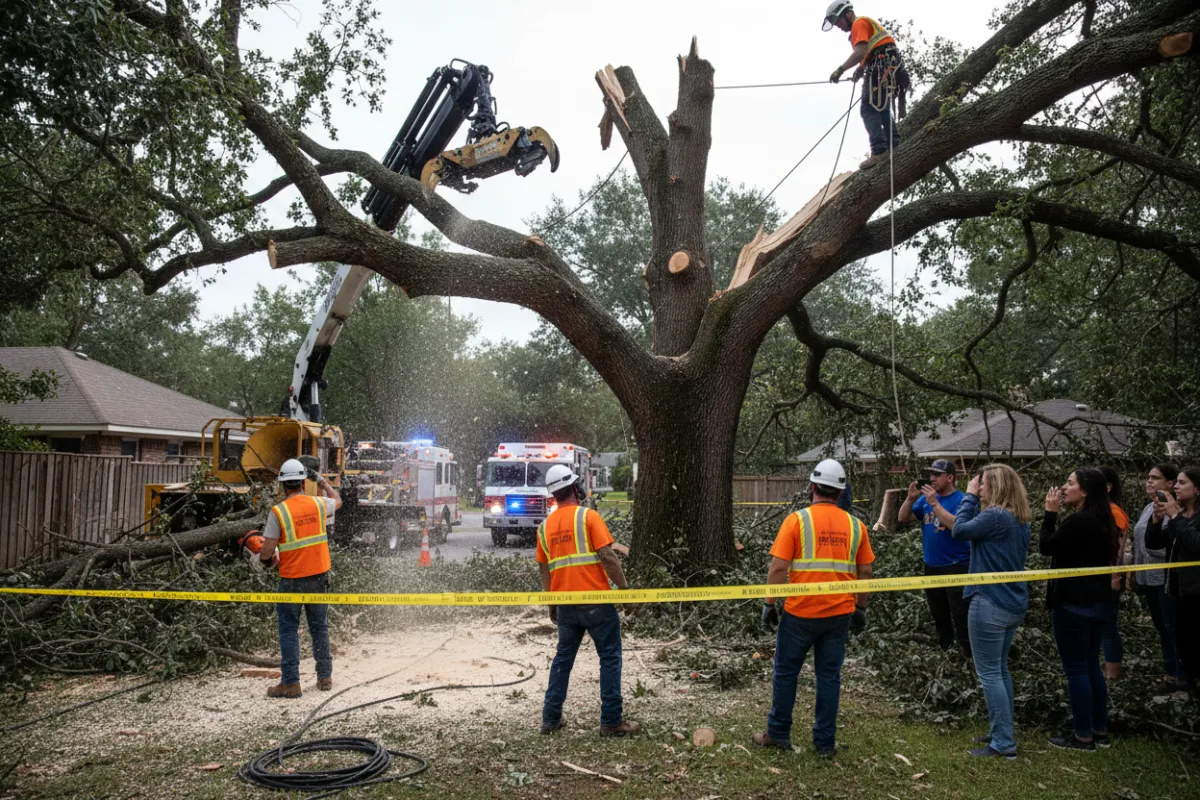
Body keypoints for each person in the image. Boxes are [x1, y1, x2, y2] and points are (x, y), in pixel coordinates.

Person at [754, 458, 875, 757]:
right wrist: (860, 608)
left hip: (800, 612)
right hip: (839, 614)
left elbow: (778, 568)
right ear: (841, 491)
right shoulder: (857, 526)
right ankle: (824, 743)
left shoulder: (797, 521)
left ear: (812, 487)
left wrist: (769, 603)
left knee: (786, 672)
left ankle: (778, 733)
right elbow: (867, 572)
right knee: (829, 676)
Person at [536, 464, 639, 737]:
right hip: (597, 603)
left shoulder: (544, 527)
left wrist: (552, 605)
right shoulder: (588, 517)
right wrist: (625, 591)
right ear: (574, 488)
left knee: (562, 660)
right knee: (610, 658)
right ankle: (611, 722)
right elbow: (608, 557)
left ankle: (550, 718)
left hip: (566, 604)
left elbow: (545, 570)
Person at [950, 464, 1031, 759]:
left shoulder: (995, 516)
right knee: (1000, 670)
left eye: (982, 485)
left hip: (989, 602)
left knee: (989, 674)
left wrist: (968, 497)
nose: (979, 488)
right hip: (1013, 603)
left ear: (995, 486)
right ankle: (1002, 729)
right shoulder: (1019, 520)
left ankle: (1004, 742)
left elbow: (959, 530)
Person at [1041, 467, 1120, 751]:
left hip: (1074, 605)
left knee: (1076, 671)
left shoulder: (1079, 521)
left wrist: (1050, 514)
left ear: (1085, 491)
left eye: (1070, 483)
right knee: (1091, 667)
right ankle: (1099, 731)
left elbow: (1046, 546)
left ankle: (1082, 736)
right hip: (1098, 602)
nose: (1064, 487)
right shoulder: (1104, 520)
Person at [257, 458, 342, 699]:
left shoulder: (278, 512)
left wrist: (265, 561)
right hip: (318, 577)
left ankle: (291, 683)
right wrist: (324, 482)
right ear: (304, 482)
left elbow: (267, 549)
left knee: (288, 630)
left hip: (292, 579)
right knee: (319, 627)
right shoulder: (317, 504)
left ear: (282, 484)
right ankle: (324, 677)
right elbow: (338, 501)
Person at [823, 1, 910, 169]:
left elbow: (861, 51)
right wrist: (861, 68)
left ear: (848, 14)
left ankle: (879, 151)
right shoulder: (863, 25)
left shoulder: (858, 23)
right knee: (881, 106)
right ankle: (893, 143)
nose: (838, 27)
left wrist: (840, 70)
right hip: (885, 62)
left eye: (839, 22)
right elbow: (869, 51)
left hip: (881, 63)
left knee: (868, 108)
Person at [898, 459, 971, 657]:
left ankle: (968, 656)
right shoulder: (925, 499)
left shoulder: (963, 500)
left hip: (957, 565)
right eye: (931, 475)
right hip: (932, 566)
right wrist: (910, 499)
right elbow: (902, 518)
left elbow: (958, 527)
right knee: (939, 613)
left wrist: (935, 504)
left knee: (961, 614)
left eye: (937, 475)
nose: (932, 479)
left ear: (950, 478)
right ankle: (946, 652)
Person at [1130, 463, 1186, 688]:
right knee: (1161, 627)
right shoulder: (1148, 508)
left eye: (1155, 478)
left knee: (1172, 626)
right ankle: (1169, 671)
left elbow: (1170, 543)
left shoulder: (1175, 509)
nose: (1149, 481)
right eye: (1148, 477)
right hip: (1146, 578)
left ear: (1170, 483)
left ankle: (1181, 675)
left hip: (1165, 578)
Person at [1146, 465, 1200, 697]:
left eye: (1182, 482)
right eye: (1175, 482)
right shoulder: (1179, 515)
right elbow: (1155, 543)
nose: (1176, 486)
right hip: (1179, 590)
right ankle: (1187, 687)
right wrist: (1157, 521)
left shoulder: (1188, 517)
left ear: (1197, 489)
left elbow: (1196, 544)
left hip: (1197, 592)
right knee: (1184, 644)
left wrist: (1176, 516)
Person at [1098, 466, 1129, 680]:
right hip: (1096, 580)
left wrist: (1114, 577)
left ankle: (1113, 676)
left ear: (1108, 487)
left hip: (1109, 580)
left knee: (1108, 628)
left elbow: (1117, 549)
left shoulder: (1114, 513)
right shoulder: (1100, 512)